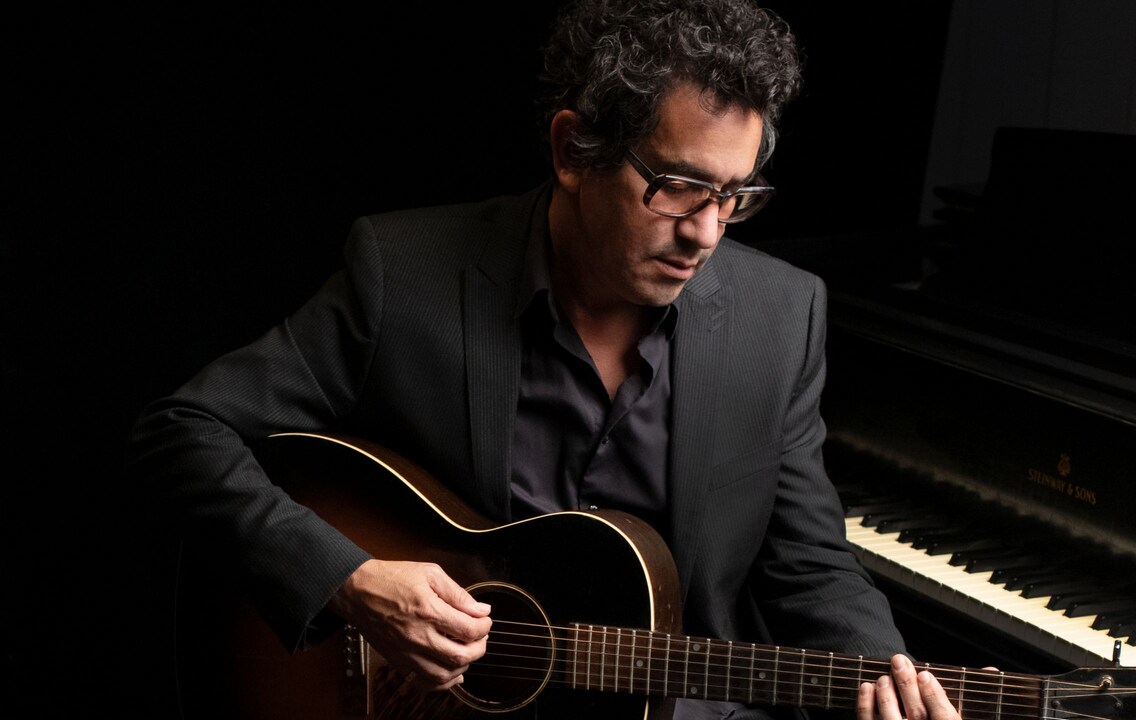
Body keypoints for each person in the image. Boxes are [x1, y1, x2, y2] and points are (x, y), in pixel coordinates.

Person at [128, 1, 964, 718]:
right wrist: (351, 581)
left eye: (734, 196)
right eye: (677, 186)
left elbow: (811, 563)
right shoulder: (406, 274)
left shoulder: (779, 317)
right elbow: (183, 431)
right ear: (573, 150)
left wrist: (886, 676)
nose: (707, 233)